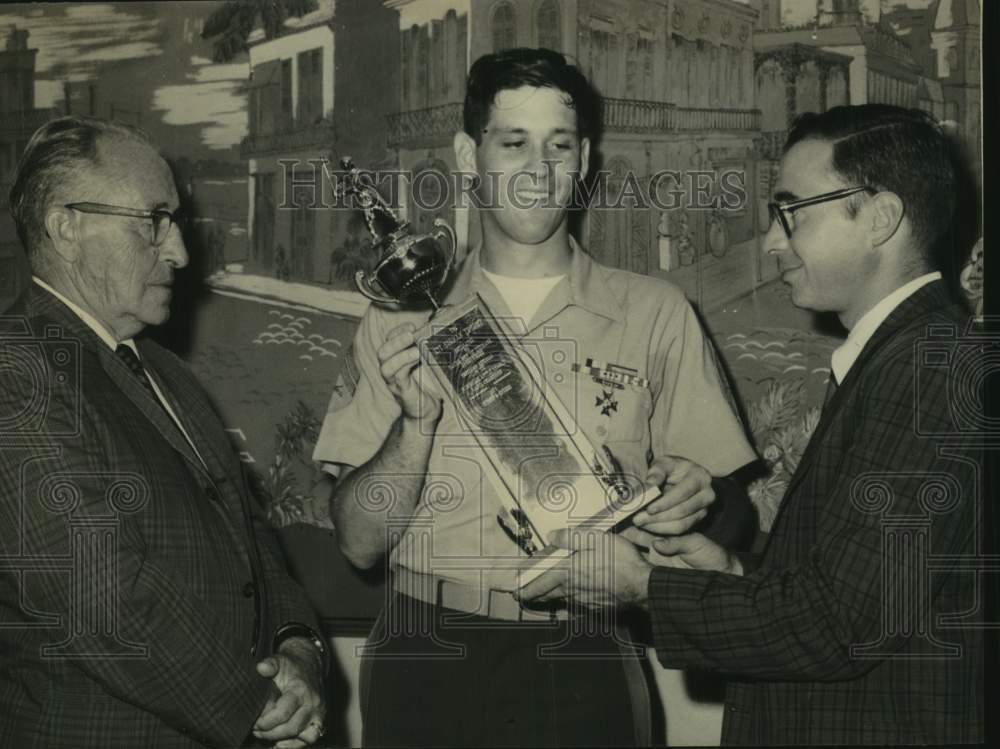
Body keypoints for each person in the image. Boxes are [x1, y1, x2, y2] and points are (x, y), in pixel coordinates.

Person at [313, 48, 758, 747]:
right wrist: (414, 424)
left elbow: (731, 513)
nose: (538, 171)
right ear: (469, 154)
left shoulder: (657, 313)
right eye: (513, 144)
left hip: (586, 647)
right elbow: (359, 543)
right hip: (425, 647)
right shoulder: (399, 321)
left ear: (583, 160)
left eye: (558, 147)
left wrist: (701, 498)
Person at [521, 104, 983, 745]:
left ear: (880, 218)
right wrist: (729, 573)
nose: (771, 240)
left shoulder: (929, 370)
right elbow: (853, 588)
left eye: (792, 211)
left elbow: (840, 626)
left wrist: (643, 587)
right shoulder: (909, 359)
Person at [0, 116, 328, 748]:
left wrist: (300, 646)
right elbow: (103, 599)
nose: (178, 249)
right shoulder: (18, 374)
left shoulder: (163, 372)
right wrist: (266, 705)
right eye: (153, 220)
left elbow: (251, 538)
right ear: (68, 228)